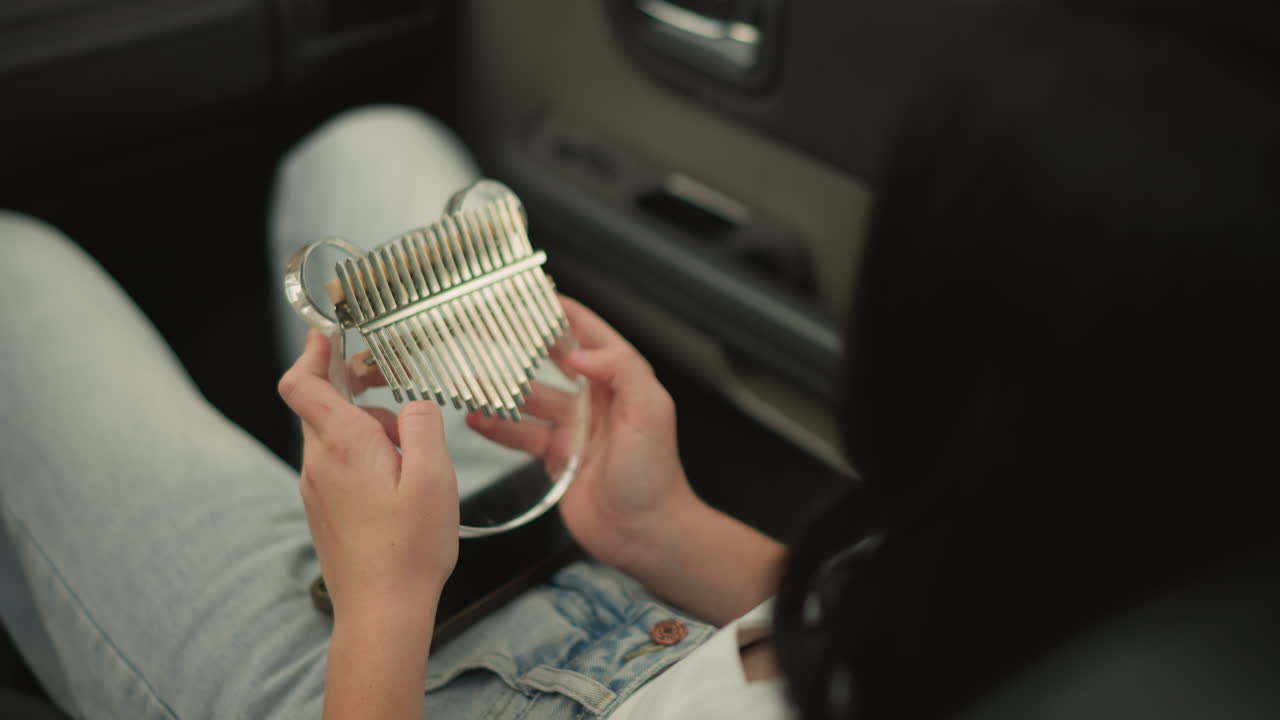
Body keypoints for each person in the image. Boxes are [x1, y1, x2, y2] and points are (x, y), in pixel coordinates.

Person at [2, 1, 1277, 718]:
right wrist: (663, 526)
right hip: (642, 616)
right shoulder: (1137, 559)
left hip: (391, 687)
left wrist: (384, 606)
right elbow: (910, 645)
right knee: (371, 139)